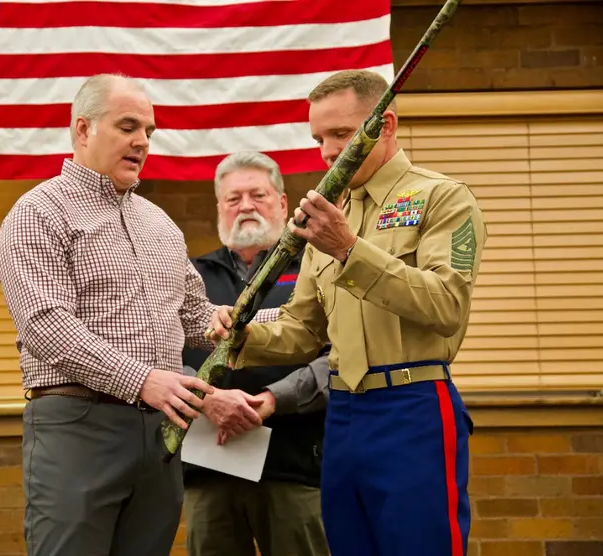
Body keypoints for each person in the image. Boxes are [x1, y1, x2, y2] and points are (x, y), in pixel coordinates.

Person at [208, 69, 488, 556]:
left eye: (342, 133)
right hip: (341, 417)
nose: (328, 151)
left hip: (413, 405)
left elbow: (447, 306)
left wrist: (349, 248)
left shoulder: (442, 197)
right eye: (319, 137)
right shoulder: (330, 213)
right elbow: (303, 330)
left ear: (387, 124)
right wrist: (241, 337)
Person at [0, 73, 218, 556]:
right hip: (77, 428)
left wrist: (304, 310)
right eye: (128, 126)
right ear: (82, 130)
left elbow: (200, 321)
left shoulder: (160, 224)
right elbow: (45, 324)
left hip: (159, 437)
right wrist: (144, 381)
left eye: (149, 132)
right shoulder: (37, 213)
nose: (142, 141)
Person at [182, 151, 331, 556]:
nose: (245, 206)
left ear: (283, 203)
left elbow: (340, 358)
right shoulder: (189, 277)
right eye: (233, 198)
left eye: (258, 195)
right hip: (209, 467)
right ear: (219, 208)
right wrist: (210, 401)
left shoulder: (316, 268)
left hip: (295, 466)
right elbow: (160, 354)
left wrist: (270, 400)